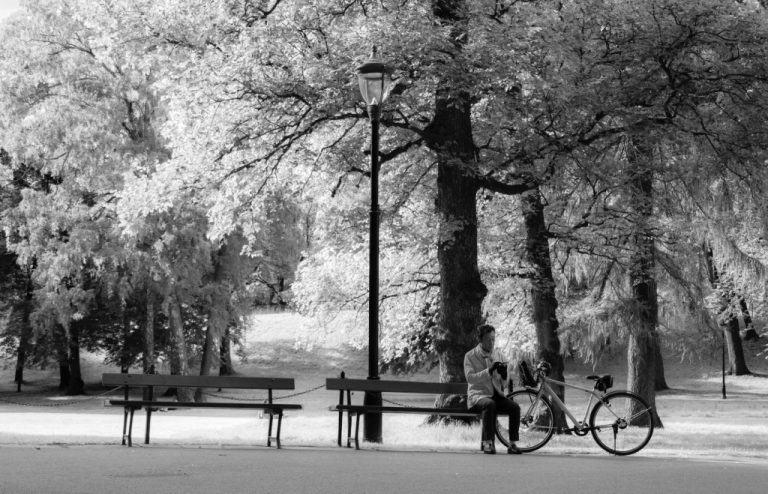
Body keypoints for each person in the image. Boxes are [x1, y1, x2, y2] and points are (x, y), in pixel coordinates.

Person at [464, 324, 521, 455]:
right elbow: (470, 379)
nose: (492, 342)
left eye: (493, 339)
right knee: (490, 404)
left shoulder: (499, 355)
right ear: (480, 339)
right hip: (478, 396)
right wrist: (489, 371)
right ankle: (488, 444)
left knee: (514, 407)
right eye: (488, 339)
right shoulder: (470, 356)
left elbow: (505, 384)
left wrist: (504, 375)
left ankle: (512, 444)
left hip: (496, 396)